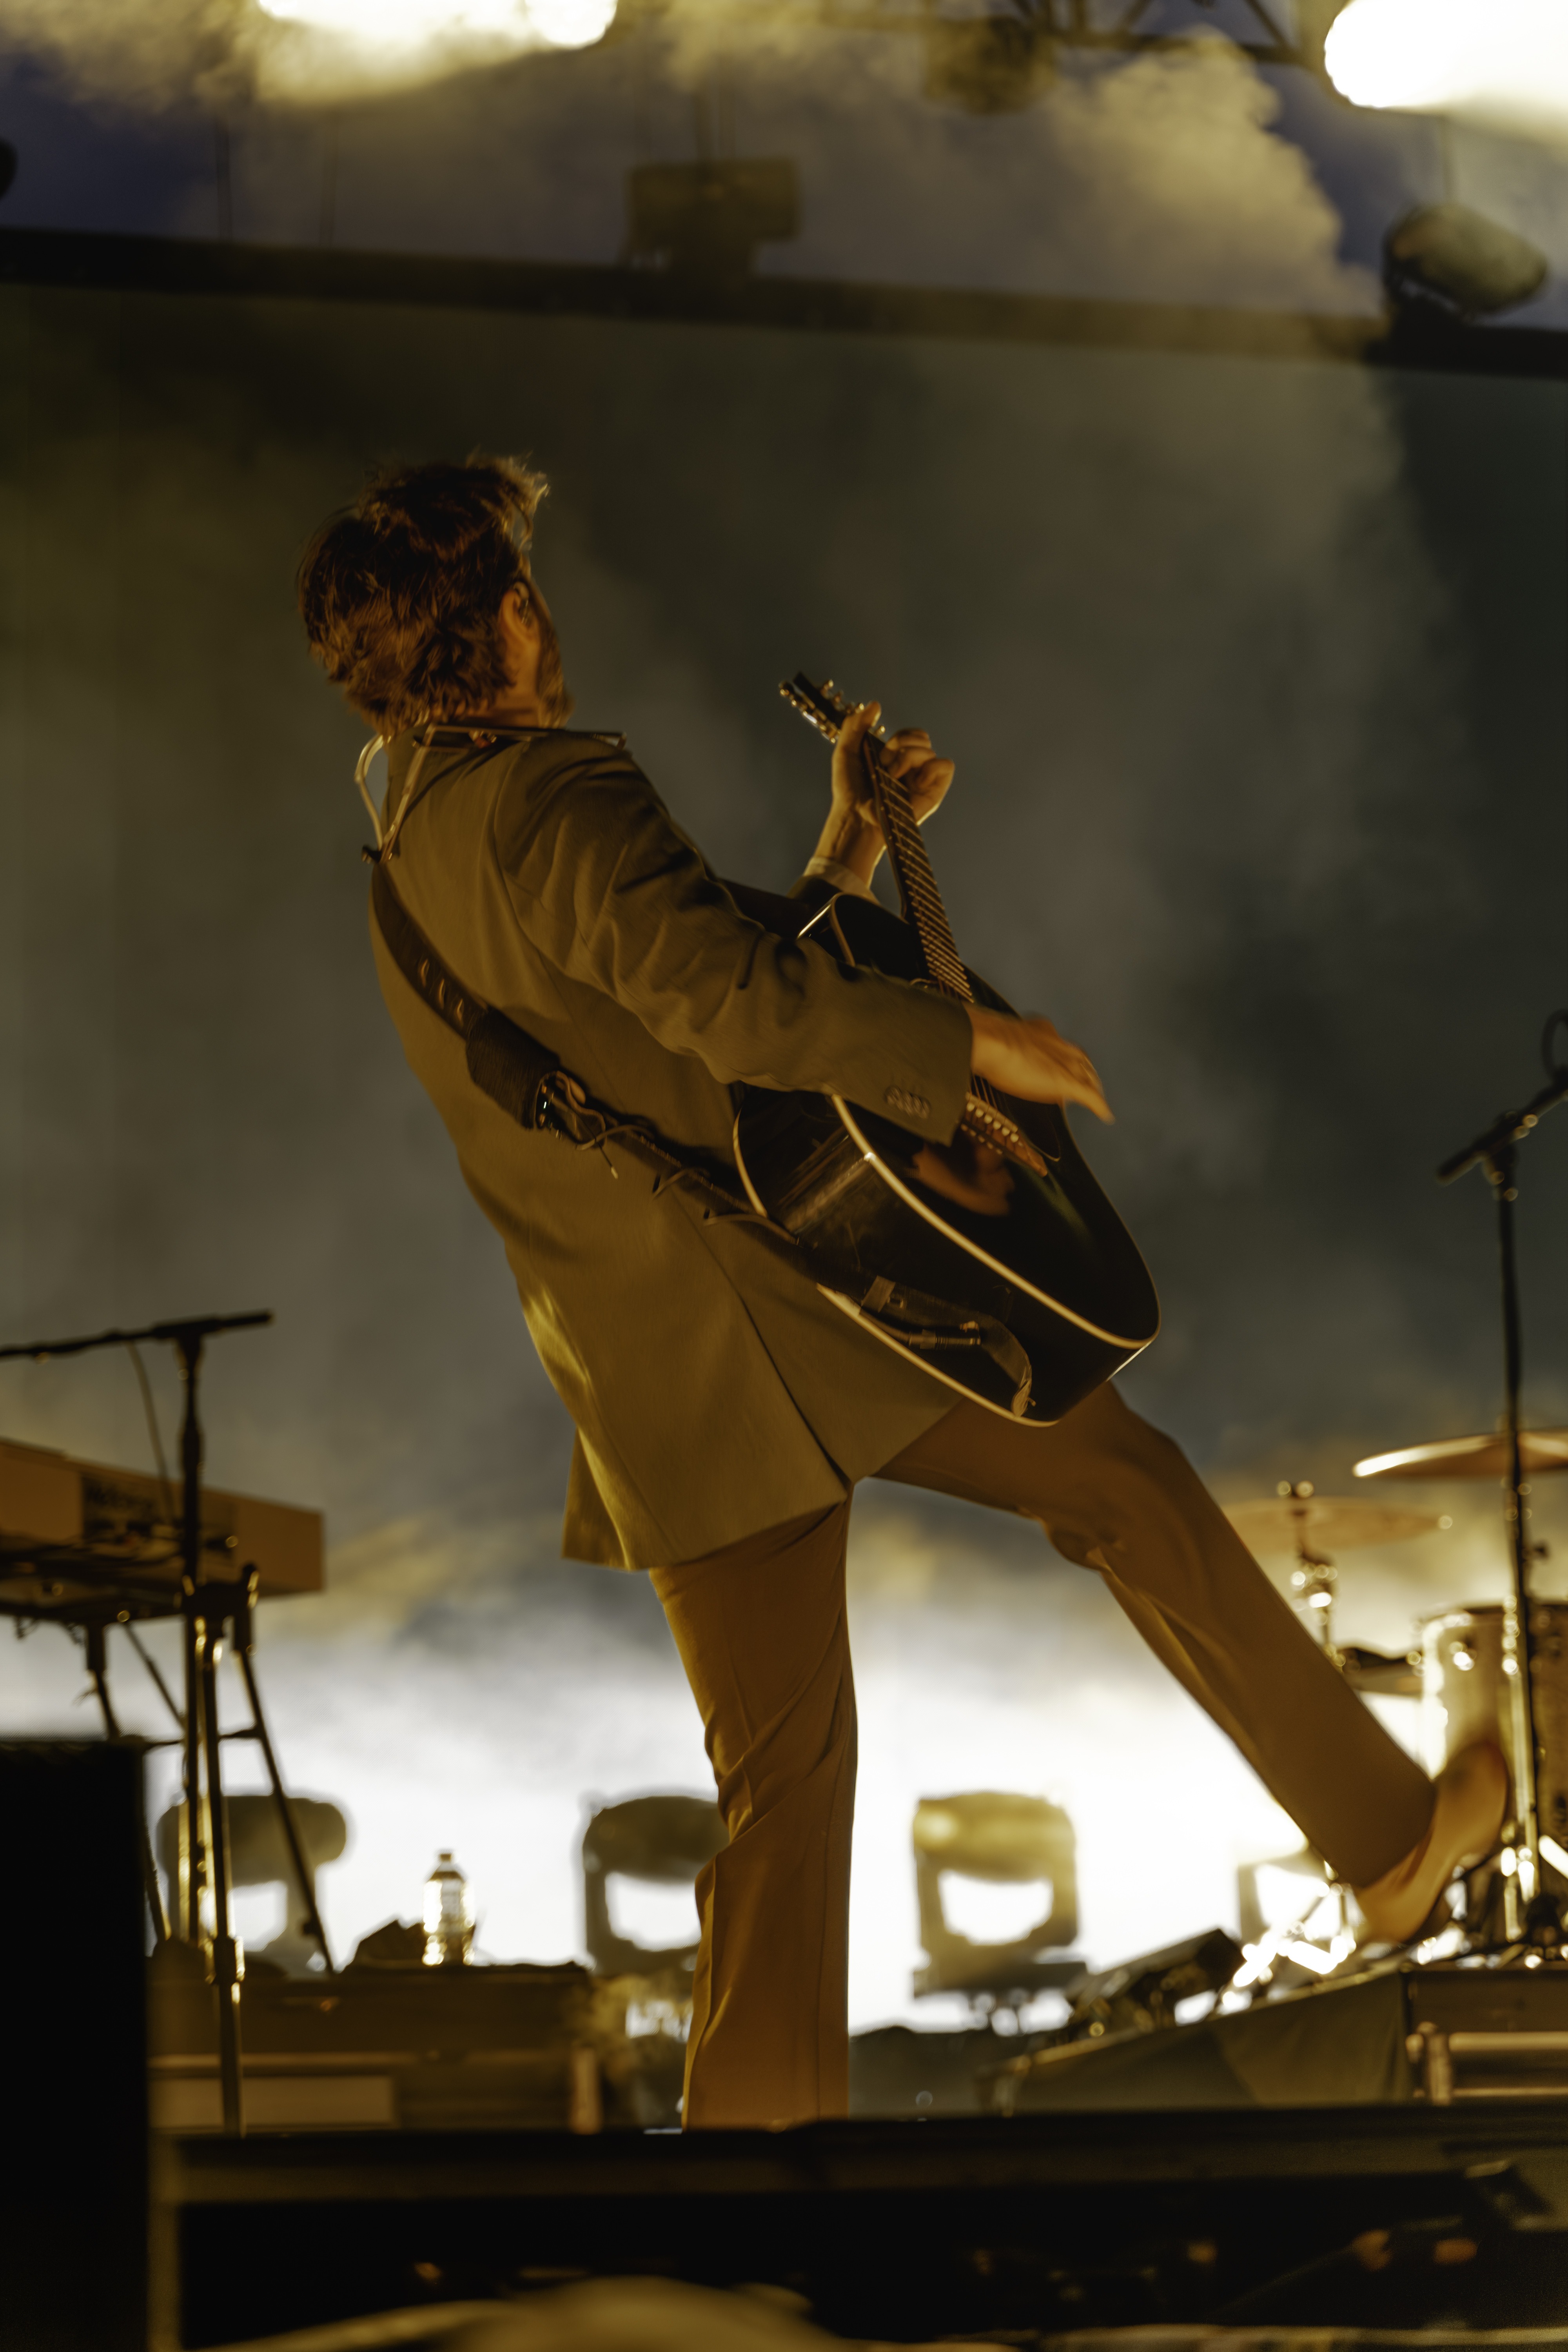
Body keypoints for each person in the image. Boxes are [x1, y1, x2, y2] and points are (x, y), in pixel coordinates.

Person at [298, 453, 1505, 2129]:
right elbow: (727, 1006)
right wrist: (971, 1045)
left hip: (653, 1372)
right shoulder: (553, 797)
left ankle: (757, 2197)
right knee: (1127, 1486)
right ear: (492, 619)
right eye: (522, 587)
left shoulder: (409, 840)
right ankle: (1386, 1845)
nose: (542, 612)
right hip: (793, 1311)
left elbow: (670, 1009)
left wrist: (848, 850)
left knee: (784, 1798)